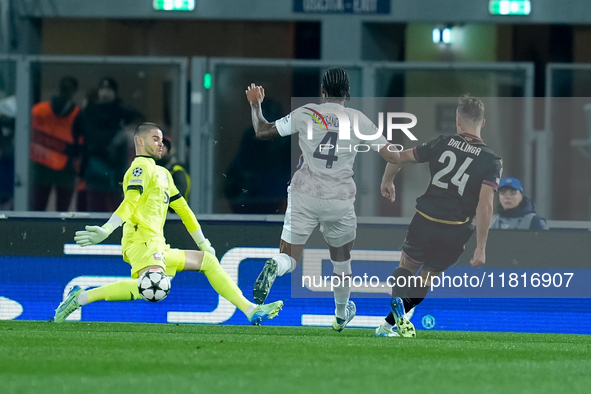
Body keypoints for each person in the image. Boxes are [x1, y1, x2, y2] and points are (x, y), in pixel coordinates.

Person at [54, 122, 283, 326]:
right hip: (141, 242)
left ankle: (251, 310)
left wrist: (203, 243)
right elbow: (130, 202)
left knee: (207, 262)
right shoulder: (140, 168)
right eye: (155, 138)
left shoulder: (163, 173)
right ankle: (81, 297)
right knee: (153, 286)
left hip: (158, 245)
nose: (161, 143)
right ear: (139, 141)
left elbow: (184, 210)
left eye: (162, 139)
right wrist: (107, 229)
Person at [245, 67, 401, 332]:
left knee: (290, 257)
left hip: (304, 194)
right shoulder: (358, 119)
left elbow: (262, 131)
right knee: (341, 261)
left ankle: (277, 264)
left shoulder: (306, 113)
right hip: (339, 200)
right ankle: (341, 316)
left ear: (323, 92)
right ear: (348, 94)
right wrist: (387, 181)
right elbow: (394, 156)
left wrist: (256, 105)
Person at [375, 95, 503, 338]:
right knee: (426, 278)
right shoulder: (491, 161)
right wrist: (481, 247)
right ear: (483, 123)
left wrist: (387, 180)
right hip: (455, 229)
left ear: (458, 121)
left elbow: (397, 156)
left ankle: (395, 312)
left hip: (425, 220)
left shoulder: (441, 144)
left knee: (406, 268)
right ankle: (388, 325)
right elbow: (485, 205)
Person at [73, 77, 144, 212]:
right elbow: (76, 133)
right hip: (94, 166)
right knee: (95, 206)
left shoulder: (121, 111)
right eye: (103, 89)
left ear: (115, 93)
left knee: (117, 207)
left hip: (116, 168)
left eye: (109, 90)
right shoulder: (88, 112)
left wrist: (123, 135)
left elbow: (139, 122)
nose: (105, 93)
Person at [29, 77, 80, 211]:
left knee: (43, 210)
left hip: (60, 167)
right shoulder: (39, 110)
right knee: (43, 210)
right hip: (45, 166)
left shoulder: (77, 114)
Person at [156, 136, 191, 201]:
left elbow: (178, 194)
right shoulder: (151, 168)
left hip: (172, 210)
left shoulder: (177, 171)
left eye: (163, 146)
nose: (160, 149)